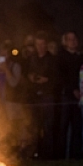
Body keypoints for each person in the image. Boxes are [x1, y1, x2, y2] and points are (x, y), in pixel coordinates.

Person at [27, 31, 59, 159]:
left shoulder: (52, 59)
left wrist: (46, 80)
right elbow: (27, 73)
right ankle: (35, 153)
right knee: (34, 126)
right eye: (38, 44)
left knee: (48, 126)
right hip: (34, 96)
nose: (40, 47)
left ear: (46, 45)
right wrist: (32, 77)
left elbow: (56, 78)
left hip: (47, 96)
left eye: (42, 44)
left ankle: (48, 155)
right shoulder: (31, 58)